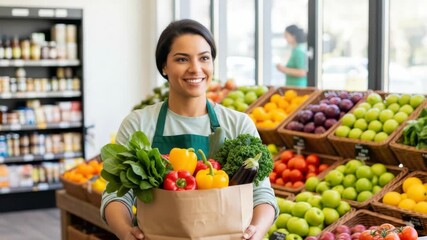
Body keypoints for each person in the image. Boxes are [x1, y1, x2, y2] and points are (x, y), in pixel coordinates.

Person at [100, 19, 279, 240]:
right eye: (182, 59)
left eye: (204, 58)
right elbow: (116, 194)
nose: (195, 69)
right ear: (164, 66)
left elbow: (262, 194)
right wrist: (126, 233)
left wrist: (257, 231)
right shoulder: (138, 124)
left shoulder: (238, 124)